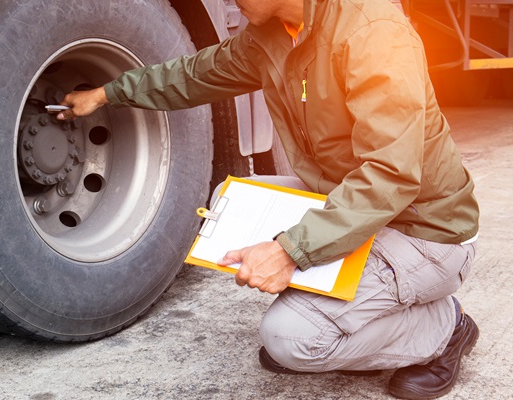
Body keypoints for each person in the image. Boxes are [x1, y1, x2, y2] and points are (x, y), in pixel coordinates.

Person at [56, 0, 480, 398]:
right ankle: (354, 314)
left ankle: (446, 327)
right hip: (355, 204)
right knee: (229, 204)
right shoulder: (271, 33)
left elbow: (390, 175)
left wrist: (291, 251)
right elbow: (194, 74)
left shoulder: (373, 31)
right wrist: (109, 93)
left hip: (423, 229)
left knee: (292, 341)